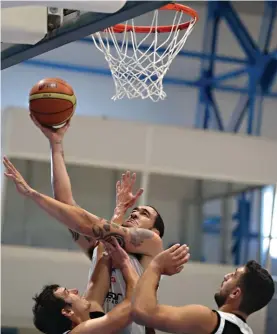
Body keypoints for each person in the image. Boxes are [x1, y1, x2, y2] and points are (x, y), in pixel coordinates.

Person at [132, 245, 275, 334]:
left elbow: (143, 312)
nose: (226, 276)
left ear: (235, 293)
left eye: (233, 275)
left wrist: (156, 265)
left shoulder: (208, 320)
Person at [33, 237, 139, 334]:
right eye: (67, 293)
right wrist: (125, 263)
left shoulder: (89, 316)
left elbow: (96, 284)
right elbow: (130, 308)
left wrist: (108, 235)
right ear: (67, 311)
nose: (75, 291)